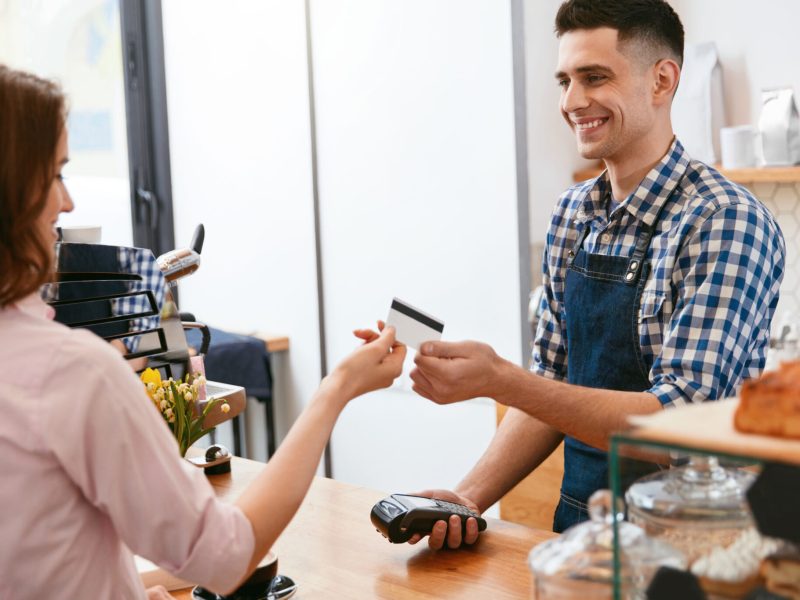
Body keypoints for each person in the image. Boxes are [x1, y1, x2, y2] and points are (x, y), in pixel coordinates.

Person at [0, 65, 405, 599]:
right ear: (15, 190)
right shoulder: (70, 371)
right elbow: (225, 556)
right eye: (56, 175)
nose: (67, 203)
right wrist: (337, 389)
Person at [390, 0, 785, 544]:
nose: (572, 102)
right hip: (581, 538)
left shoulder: (725, 220)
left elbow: (680, 427)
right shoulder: (572, 214)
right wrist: (470, 497)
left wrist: (503, 380)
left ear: (662, 80)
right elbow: (551, 387)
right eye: (565, 80)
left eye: (594, 77)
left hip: (691, 550)